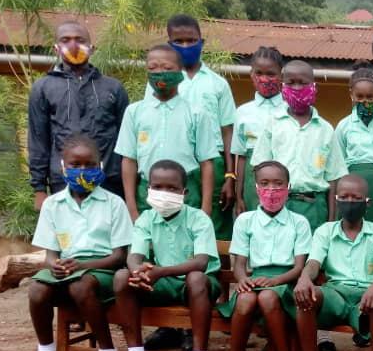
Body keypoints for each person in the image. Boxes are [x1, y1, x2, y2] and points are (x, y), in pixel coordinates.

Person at [105, 160, 222, 351]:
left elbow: (201, 262)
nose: (164, 193)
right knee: (121, 277)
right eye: (158, 187)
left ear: (184, 193)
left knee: (196, 277)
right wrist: (138, 271)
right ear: (148, 188)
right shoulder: (146, 219)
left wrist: (161, 271)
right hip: (161, 283)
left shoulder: (198, 218)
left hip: (199, 287)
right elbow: (134, 255)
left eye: (172, 188)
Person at [25, 134, 132, 351]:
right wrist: (55, 265)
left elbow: (119, 256)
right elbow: (50, 255)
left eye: (90, 165)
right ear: (63, 167)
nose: (83, 170)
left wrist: (83, 265)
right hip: (68, 269)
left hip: (102, 270)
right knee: (37, 290)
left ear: (100, 166)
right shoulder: (53, 205)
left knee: (81, 286)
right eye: (75, 165)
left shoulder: (114, 204)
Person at [287, 174, 373, 351]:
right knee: (308, 296)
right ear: (336, 199)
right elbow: (314, 263)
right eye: (343, 197)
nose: (349, 201)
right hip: (335, 294)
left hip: (367, 295)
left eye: (356, 197)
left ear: (367, 202)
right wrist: (304, 278)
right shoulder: (325, 231)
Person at [213, 161, 311, 351]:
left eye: (278, 184)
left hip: (285, 282)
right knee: (245, 300)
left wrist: (277, 280)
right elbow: (239, 263)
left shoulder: (299, 222)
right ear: (256, 187)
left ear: (288, 187)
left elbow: (299, 267)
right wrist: (242, 279)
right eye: (265, 184)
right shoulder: (245, 220)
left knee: (267, 297)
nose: (271, 190)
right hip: (255, 280)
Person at [28, 20, 129, 205]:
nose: (73, 45)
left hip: (109, 181)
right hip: (63, 181)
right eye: (65, 40)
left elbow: (127, 142)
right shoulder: (43, 88)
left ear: (92, 48)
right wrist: (39, 189)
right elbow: (38, 139)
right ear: (56, 48)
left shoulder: (113, 88)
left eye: (80, 40)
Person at [115, 43, 219, 222]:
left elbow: (206, 163)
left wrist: (206, 208)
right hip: (146, 194)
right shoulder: (134, 112)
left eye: (167, 68)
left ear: (181, 72)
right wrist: (132, 208)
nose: (159, 73)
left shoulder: (197, 113)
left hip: (187, 193)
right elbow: (129, 160)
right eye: (152, 68)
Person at [162, 14, 237, 240]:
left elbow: (228, 131)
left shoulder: (217, 83)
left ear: (201, 42)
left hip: (213, 161)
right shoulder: (162, 82)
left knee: (213, 222)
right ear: (169, 44)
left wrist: (229, 175)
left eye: (191, 40)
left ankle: (213, 273)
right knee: (176, 220)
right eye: (179, 41)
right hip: (176, 160)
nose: (186, 46)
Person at [250, 60, 335, 232]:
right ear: (283, 86)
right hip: (278, 205)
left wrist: (331, 221)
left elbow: (334, 178)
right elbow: (259, 169)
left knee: (311, 258)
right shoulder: (273, 124)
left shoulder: (325, 129)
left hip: (314, 207)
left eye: (303, 83)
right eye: (291, 83)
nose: (296, 88)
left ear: (313, 86)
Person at [330, 67, 373, 227]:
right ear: (351, 95)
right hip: (352, 189)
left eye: (370, 97)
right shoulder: (344, 126)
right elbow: (338, 164)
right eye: (359, 97)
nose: (365, 101)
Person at [230, 46, 285, 214]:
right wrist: (239, 196)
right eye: (259, 73)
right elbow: (241, 158)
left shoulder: (290, 110)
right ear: (251, 75)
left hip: (282, 176)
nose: (264, 79)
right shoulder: (242, 112)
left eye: (271, 74)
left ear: (281, 76)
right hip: (250, 180)